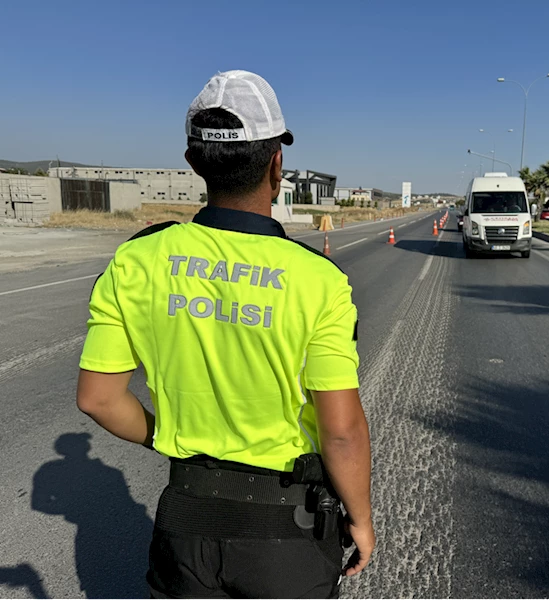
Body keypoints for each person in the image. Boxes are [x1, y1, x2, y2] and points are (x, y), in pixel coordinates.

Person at [76, 70, 374, 599]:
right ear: (276, 163)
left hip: (185, 523)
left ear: (193, 163)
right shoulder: (318, 280)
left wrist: (170, 437)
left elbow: (98, 399)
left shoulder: (136, 261)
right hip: (290, 536)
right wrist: (361, 519)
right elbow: (342, 430)